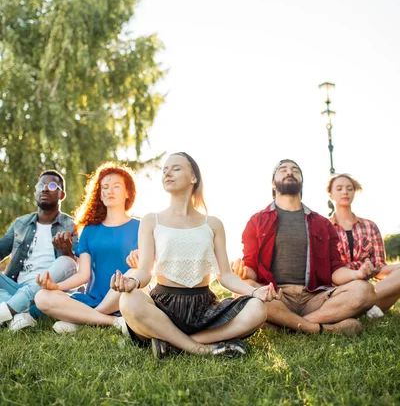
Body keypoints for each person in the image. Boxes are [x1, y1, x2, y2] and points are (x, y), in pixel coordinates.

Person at [111, 152, 281, 358]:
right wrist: (131, 281)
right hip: (163, 306)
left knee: (258, 309)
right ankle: (200, 348)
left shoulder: (213, 224)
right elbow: (145, 270)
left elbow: (225, 276)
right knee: (128, 301)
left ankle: (172, 343)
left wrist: (254, 292)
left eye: (176, 168)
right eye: (165, 170)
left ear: (194, 178)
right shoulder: (150, 220)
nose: (167, 173)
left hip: (204, 308)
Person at [232, 159, 376, 336]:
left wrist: (357, 274)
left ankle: (286, 326)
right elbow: (252, 267)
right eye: (283, 170)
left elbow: (335, 269)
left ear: (301, 182)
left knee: (365, 290)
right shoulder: (257, 221)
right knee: (242, 292)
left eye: (295, 170)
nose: (289, 172)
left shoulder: (322, 223)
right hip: (275, 296)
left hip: (314, 297)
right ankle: (318, 328)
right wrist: (243, 273)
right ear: (273, 184)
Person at [35, 162, 140, 334]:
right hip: (93, 299)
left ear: (128, 192)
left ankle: (86, 319)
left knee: (133, 273)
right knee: (42, 297)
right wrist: (56, 287)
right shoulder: (90, 230)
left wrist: (138, 263)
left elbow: (146, 270)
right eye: (104, 187)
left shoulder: (140, 226)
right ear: (100, 193)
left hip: (125, 296)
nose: (109, 191)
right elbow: (83, 275)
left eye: (116, 186)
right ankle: (112, 321)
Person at [0, 170, 78, 332]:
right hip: (16, 287)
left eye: (51, 185)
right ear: (35, 191)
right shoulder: (21, 223)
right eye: (41, 185)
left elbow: (75, 267)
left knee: (67, 261)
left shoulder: (70, 225)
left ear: (61, 194)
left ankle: (7, 311)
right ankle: (19, 314)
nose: (45, 189)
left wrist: (67, 252)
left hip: (44, 292)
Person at [328, 173, 400, 318]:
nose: (345, 192)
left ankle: (367, 307)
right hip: (339, 292)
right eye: (339, 188)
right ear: (331, 195)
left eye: (349, 188)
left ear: (354, 192)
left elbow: (379, 267)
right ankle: (365, 307)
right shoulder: (324, 227)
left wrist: (396, 267)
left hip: (372, 289)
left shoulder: (370, 226)